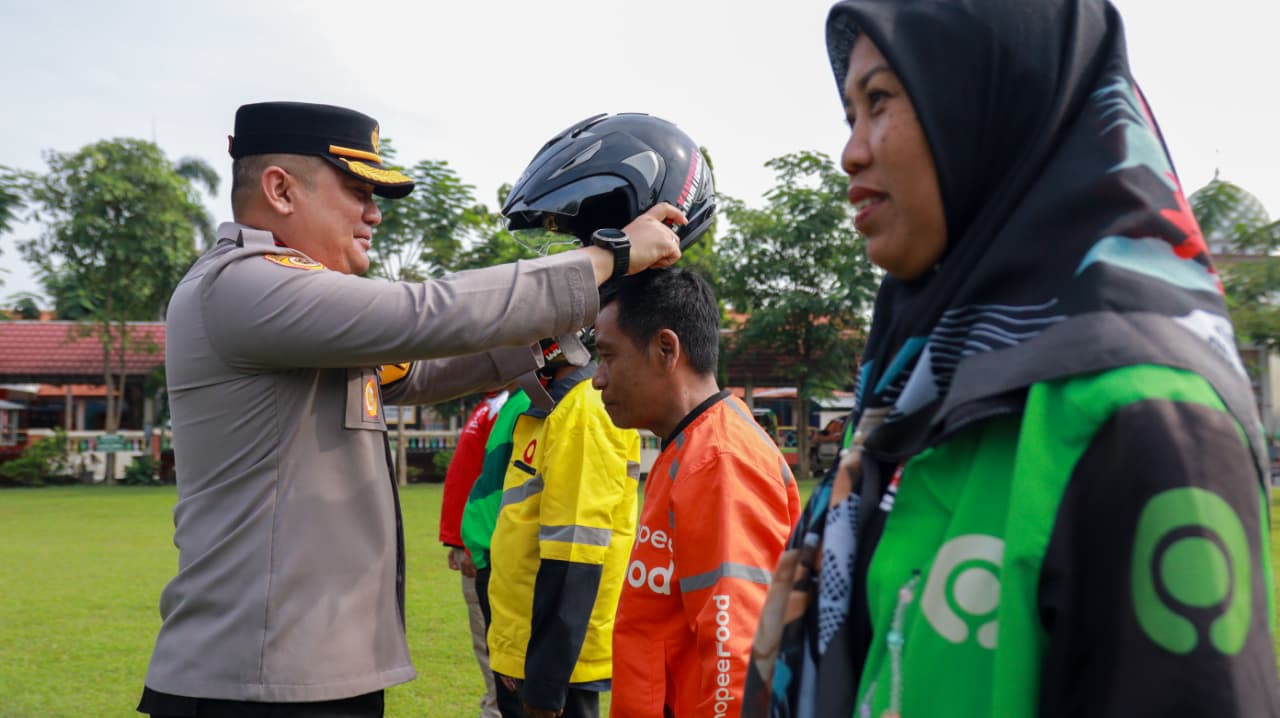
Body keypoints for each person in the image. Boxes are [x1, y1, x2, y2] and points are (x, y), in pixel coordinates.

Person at [745, 2, 1280, 717]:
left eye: (880, 100)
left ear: (991, 106)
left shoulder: (1149, 422)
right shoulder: (916, 392)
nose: (852, 151)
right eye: (849, 114)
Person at [137, 100, 687, 718]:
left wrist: (583, 303)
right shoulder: (243, 284)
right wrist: (607, 255)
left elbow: (425, 367)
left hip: (299, 674)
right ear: (280, 189)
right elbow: (422, 313)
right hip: (253, 684)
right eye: (357, 189)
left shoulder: (299, 318)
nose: (374, 214)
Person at [591, 268, 801, 717]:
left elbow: (737, 654)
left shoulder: (719, 461)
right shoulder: (689, 447)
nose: (598, 379)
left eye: (607, 357)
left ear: (666, 349)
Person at [485, 335, 640, 718]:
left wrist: (545, 678)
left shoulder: (583, 411)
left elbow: (575, 553)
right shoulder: (556, 407)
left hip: (558, 653)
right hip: (535, 640)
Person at [440, 389, 512, 718]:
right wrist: (456, 539)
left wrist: (473, 544)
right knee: (487, 650)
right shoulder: (491, 403)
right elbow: (467, 476)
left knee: (496, 654)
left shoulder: (511, 405)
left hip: (487, 552)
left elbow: (496, 486)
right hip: (474, 545)